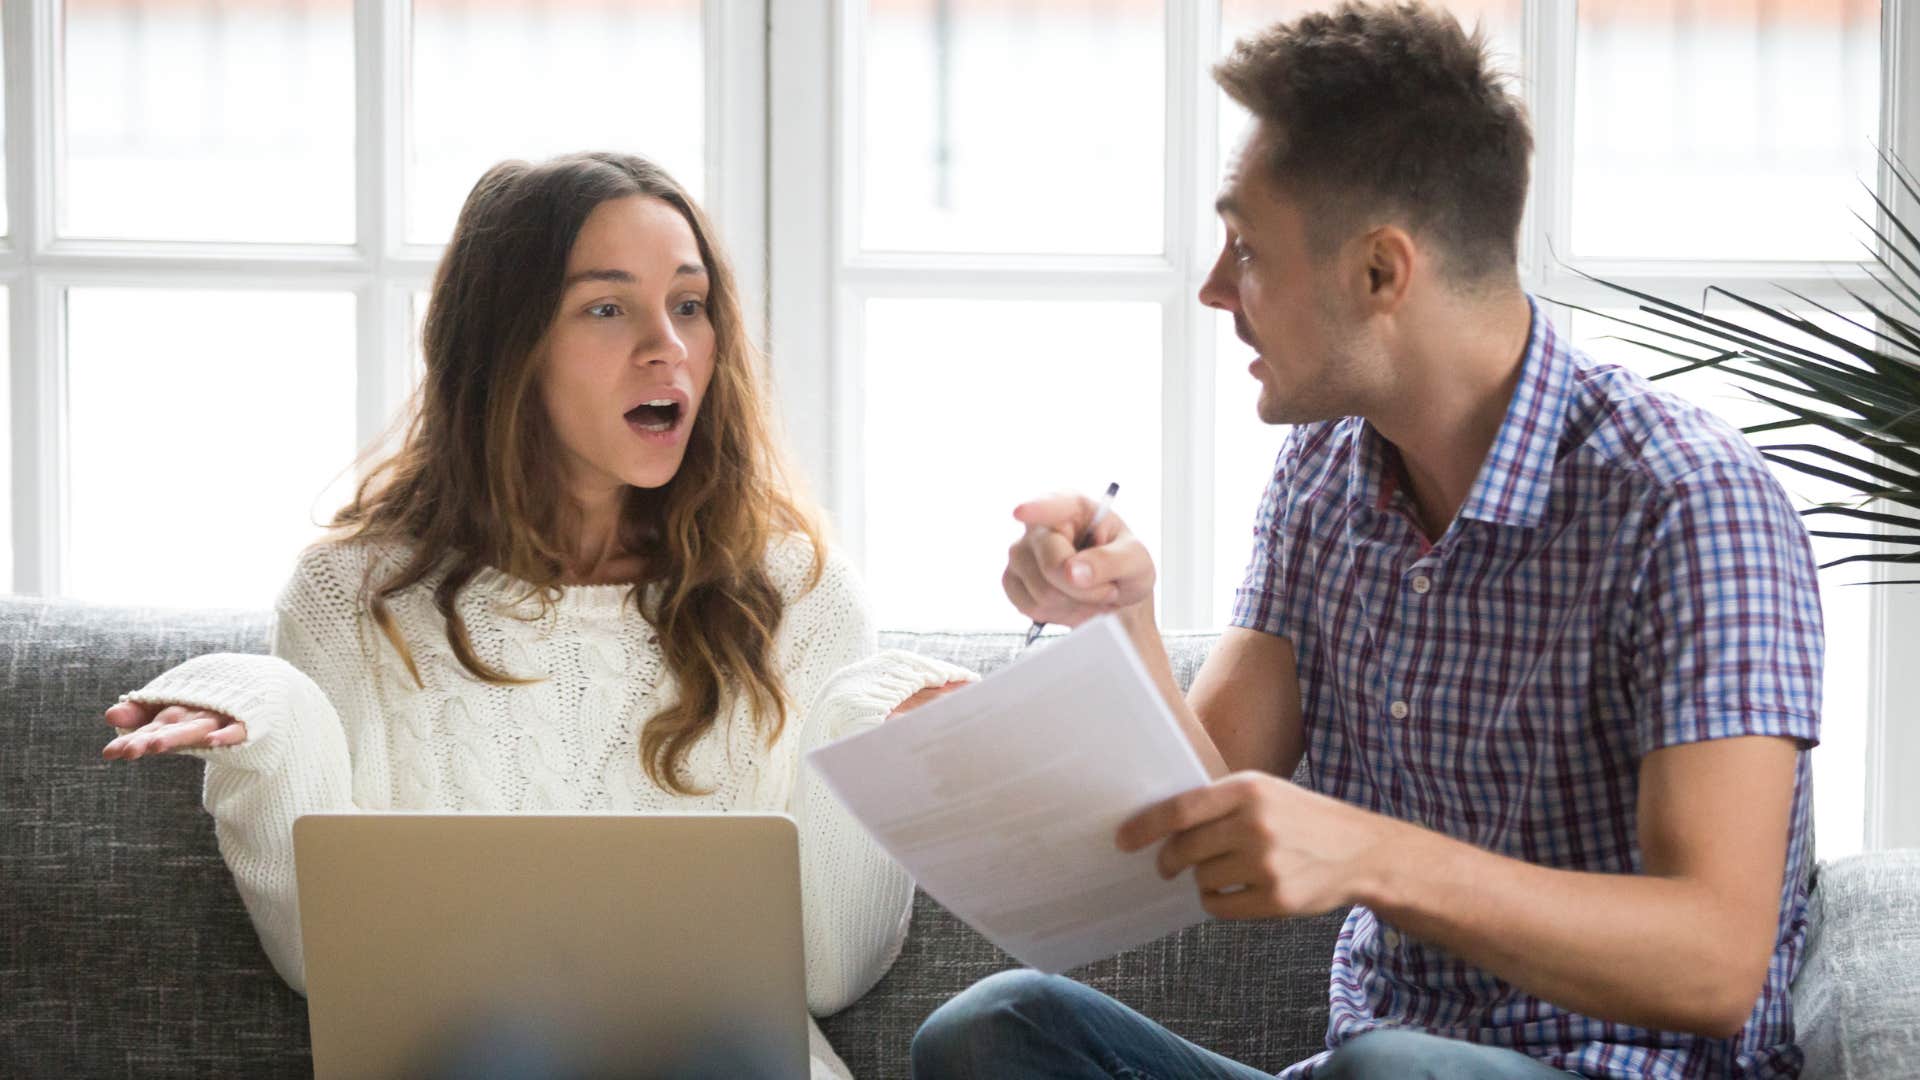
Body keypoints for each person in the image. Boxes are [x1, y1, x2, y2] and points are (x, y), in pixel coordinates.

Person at [913, 3, 1823, 1078]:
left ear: (1383, 274)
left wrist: (1376, 857)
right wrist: (1118, 624)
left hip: (1599, 1070)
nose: (1214, 289)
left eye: (1247, 250)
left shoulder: (1690, 504)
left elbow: (1716, 963)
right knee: (993, 1033)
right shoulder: (1326, 473)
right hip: (1368, 1072)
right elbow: (1207, 797)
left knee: (1394, 1069)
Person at [101, 151, 970, 1080]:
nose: (667, 347)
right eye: (607, 307)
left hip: (727, 1064)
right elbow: (327, 970)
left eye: (689, 304)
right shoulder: (353, 596)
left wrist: (864, 730)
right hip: (467, 1066)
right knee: (492, 1055)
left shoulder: (797, 590)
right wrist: (273, 724)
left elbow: (831, 973)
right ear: (505, 345)